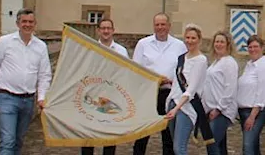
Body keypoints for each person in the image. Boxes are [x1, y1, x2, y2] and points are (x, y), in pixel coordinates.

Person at [0, 9, 53, 155]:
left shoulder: (41, 46)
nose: (27, 25)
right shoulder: (5, 42)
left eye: (30, 22)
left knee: (18, 140)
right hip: (7, 97)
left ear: (35, 24)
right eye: (24, 21)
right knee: (7, 141)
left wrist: (41, 98)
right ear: (17, 23)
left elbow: (44, 75)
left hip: (28, 100)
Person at [132, 13, 187, 155]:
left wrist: (171, 80)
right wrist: (155, 80)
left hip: (170, 94)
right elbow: (135, 70)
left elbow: (184, 72)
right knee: (142, 134)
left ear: (169, 26)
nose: (160, 27)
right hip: (148, 93)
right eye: (157, 24)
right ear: (153, 26)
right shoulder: (143, 44)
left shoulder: (179, 46)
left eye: (163, 24)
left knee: (168, 135)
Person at [82, 17, 128, 155]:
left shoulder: (121, 51)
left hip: (113, 98)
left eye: (109, 28)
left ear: (113, 31)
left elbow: (125, 73)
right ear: (98, 31)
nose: (106, 31)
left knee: (110, 137)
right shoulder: (90, 49)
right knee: (88, 136)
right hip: (92, 98)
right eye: (103, 28)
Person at [163, 24, 210, 155]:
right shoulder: (182, 58)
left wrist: (176, 108)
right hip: (173, 102)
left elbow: (191, 89)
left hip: (186, 107)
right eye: (187, 37)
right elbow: (177, 83)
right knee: (174, 146)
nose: (189, 41)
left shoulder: (201, 60)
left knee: (180, 148)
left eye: (193, 38)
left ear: (199, 40)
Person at [235, 36, 265, 155]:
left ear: (262, 48)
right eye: (250, 47)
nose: (252, 49)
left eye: (255, 46)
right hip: (244, 110)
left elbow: (262, 93)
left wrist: (252, 116)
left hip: (256, 111)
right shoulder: (250, 65)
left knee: (248, 146)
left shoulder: (264, 67)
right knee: (253, 144)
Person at [202, 32, 238, 155]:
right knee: (220, 147)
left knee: (212, 144)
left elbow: (230, 89)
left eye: (222, 42)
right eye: (217, 41)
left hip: (222, 111)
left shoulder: (229, 63)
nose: (218, 44)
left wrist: (219, 109)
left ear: (228, 44)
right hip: (211, 110)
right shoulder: (215, 63)